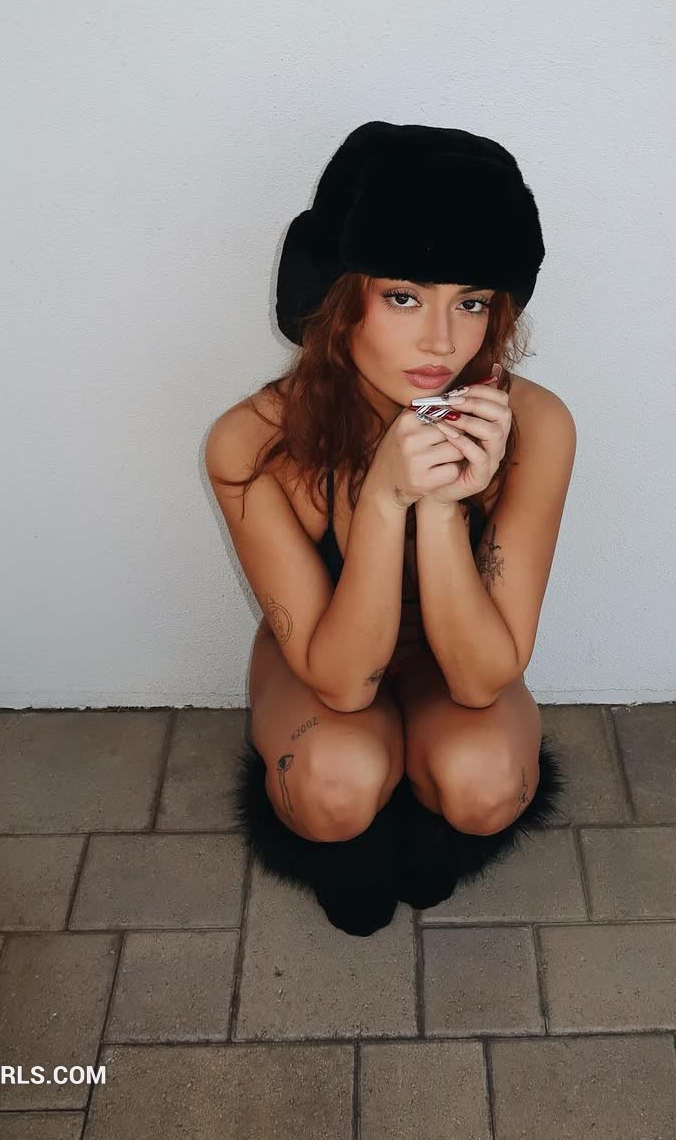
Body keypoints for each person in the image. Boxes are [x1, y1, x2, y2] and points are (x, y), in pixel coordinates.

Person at [207, 121, 574, 935]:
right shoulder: (253, 443)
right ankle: (350, 858)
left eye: (470, 302)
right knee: (331, 784)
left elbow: (480, 680)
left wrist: (440, 504)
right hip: (326, 660)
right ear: (338, 299)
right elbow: (342, 685)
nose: (442, 341)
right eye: (404, 296)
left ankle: (429, 842)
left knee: (485, 780)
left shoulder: (536, 425)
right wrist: (381, 499)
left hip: (457, 661)